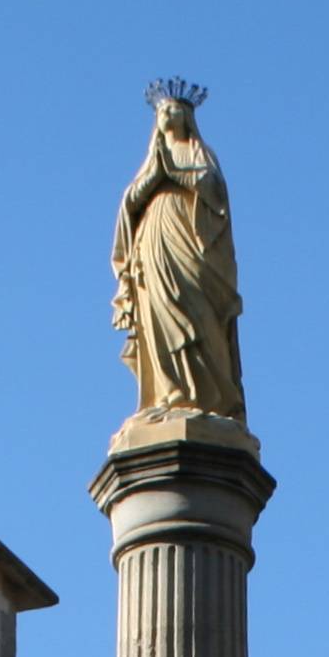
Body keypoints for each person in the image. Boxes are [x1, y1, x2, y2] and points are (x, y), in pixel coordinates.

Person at [110, 80, 244, 419]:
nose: (166, 114)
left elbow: (215, 193)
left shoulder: (198, 153)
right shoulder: (152, 159)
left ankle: (204, 396)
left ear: (186, 117)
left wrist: (178, 175)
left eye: (173, 109)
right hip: (155, 243)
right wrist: (155, 177)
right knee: (158, 312)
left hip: (190, 242)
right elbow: (129, 204)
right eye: (161, 110)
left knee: (196, 311)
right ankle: (170, 393)